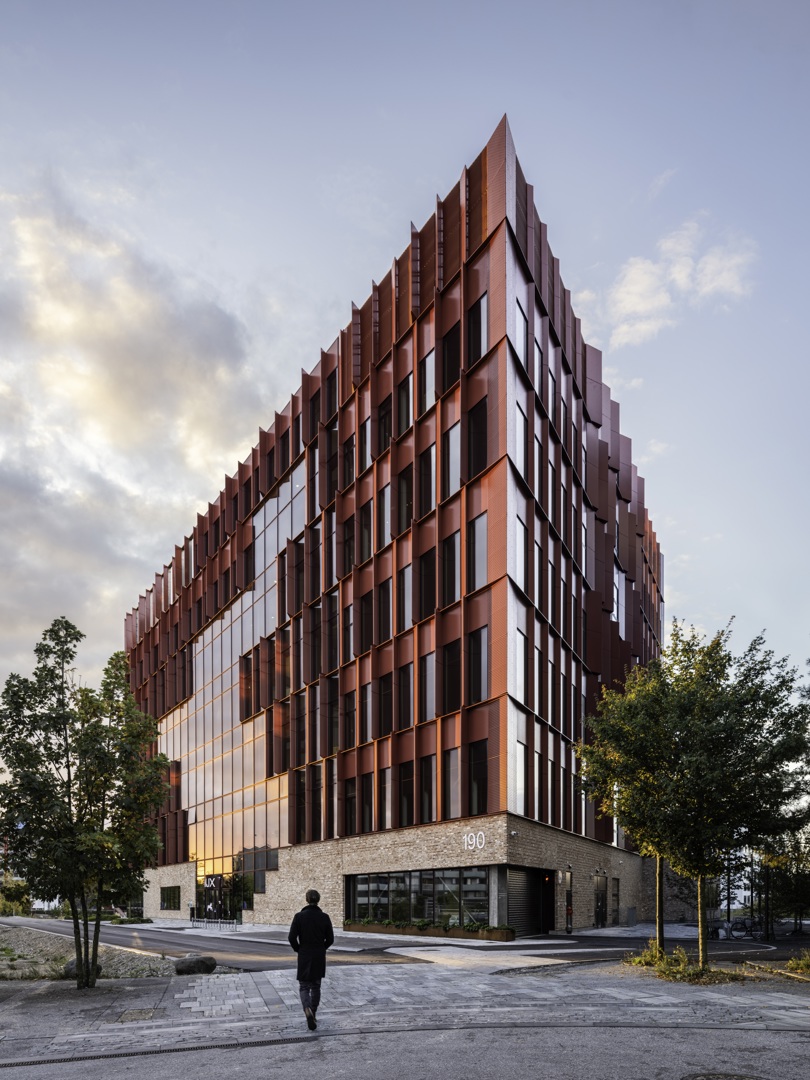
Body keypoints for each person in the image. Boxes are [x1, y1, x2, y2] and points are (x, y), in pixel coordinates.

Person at [288, 888, 334, 1031]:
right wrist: (322, 948)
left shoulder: (299, 916)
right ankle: (313, 1012)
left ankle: (306, 1008)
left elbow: (291, 937)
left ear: (306, 900)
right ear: (318, 900)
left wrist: (298, 949)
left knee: (304, 986)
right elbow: (331, 939)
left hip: (304, 954)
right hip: (319, 955)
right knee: (316, 986)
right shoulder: (324, 917)